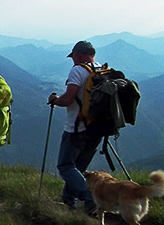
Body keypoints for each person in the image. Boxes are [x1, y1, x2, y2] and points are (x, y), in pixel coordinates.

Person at [46, 41, 103, 213]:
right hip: (97, 128)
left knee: (65, 166)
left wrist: (54, 100)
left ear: (78, 55)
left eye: (73, 57)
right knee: (78, 167)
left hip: (77, 128)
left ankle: (89, 198)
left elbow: (68, 99)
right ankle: (68, 201)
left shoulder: (78, 70)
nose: (73, 61)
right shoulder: (100, 69)